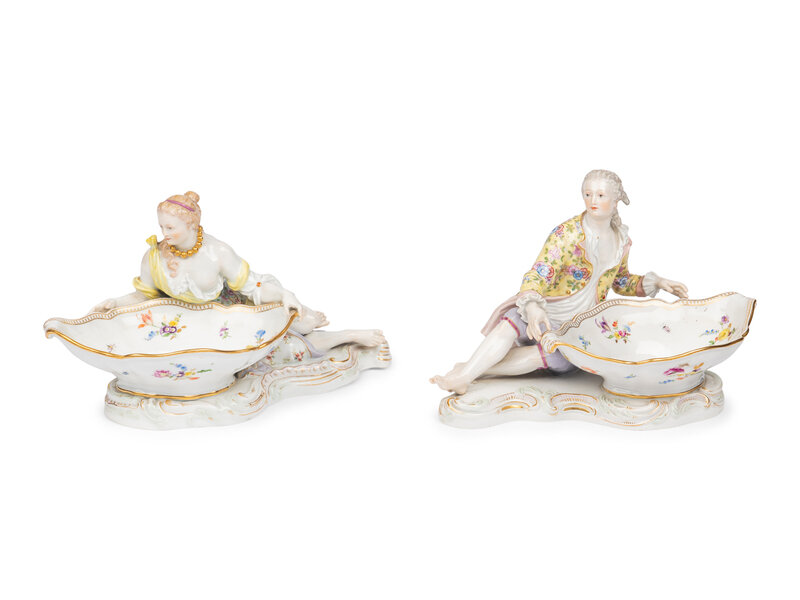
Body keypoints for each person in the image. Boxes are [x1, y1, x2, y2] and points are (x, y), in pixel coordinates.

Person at [431, 170, 688, 394]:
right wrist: (533, 306)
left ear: (615, 200)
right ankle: (464, 377)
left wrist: (657, 282)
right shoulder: (567, 234)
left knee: (552, 355)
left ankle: (470, 369)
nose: (593, 201)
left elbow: (621, 282)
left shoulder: (621, 241)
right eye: (587, 194)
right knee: (511, 323)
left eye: (600, 195)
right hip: (549, 308)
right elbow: (539, 273)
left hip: (576, 326)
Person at [93, 191, 385, 353]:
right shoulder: (153, 256)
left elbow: (252, 285)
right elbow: (144, 296)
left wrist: (284, 294)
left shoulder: (216, 252)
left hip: (225, 315)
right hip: (182, 325)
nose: (164, 233)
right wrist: (115, 303)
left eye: (170, 227)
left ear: (192, 225)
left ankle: (346, 337)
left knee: (287, 346)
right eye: (161, 226)